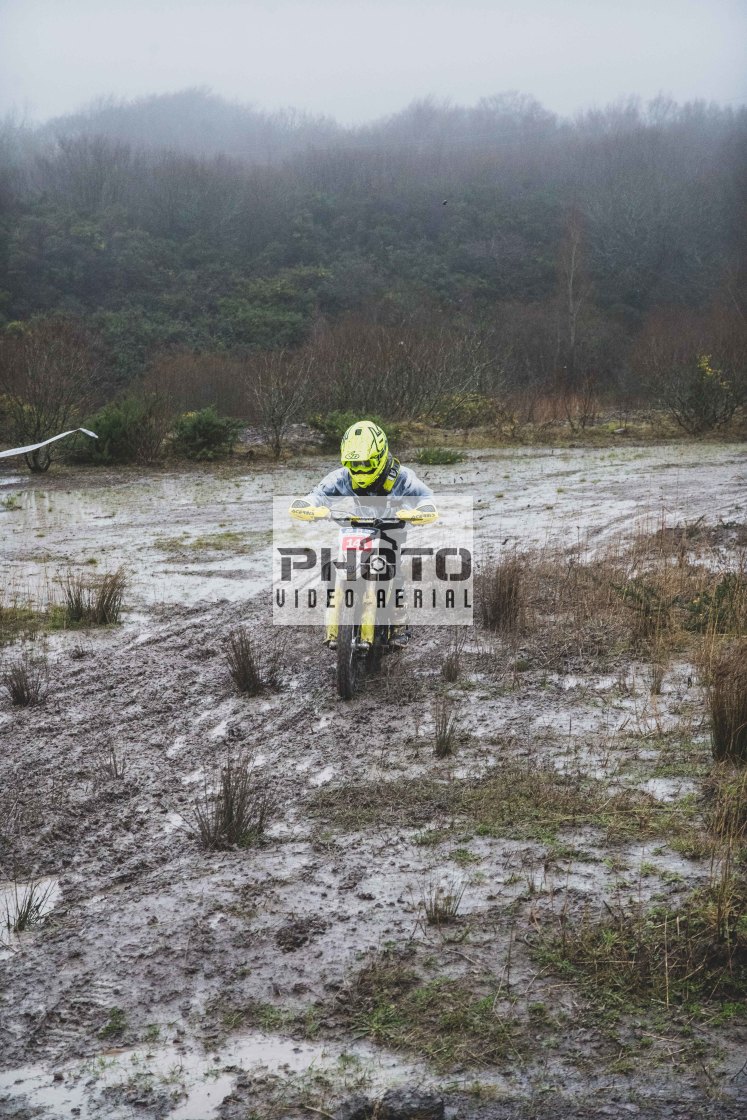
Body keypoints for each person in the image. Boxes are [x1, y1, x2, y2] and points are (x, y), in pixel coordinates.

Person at [289, 420, 437, 646]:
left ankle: (399, 622)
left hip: (391, 528)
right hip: (358, 528)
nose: (359, 469)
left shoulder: (401, 477)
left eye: (365, 463)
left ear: (379, 457)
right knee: (334, 567)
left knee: (391, 571)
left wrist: (420, 512)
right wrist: (308, 505)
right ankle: (336, 617)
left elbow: (427, 498)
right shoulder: (344, 476)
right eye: (352, 464)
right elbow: (318, 493)